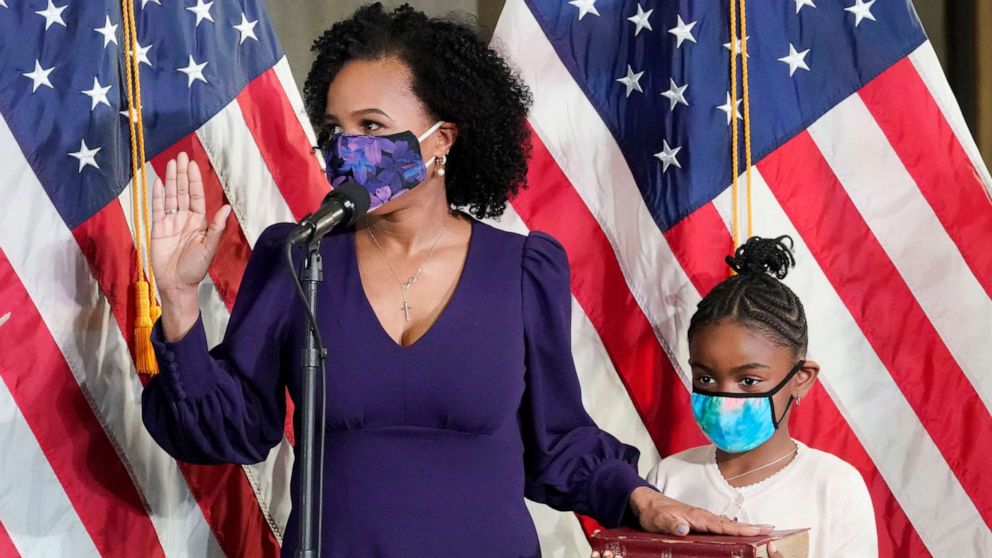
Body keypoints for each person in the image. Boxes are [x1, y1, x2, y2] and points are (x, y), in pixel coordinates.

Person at [141, 4, 770, 556]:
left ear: (441, 139)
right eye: (334, 131)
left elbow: (559, 443)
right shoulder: (299, 257)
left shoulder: (523, 270)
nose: (347, 149)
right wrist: (176, 299)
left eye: (372, 126)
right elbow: (229, 430)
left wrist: (638, 498)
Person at [643, 236, 878, 557]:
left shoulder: (833, 486)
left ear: (800, 379)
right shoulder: (669, 477)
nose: (724, 395)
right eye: (706, 377)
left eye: (748, 380)